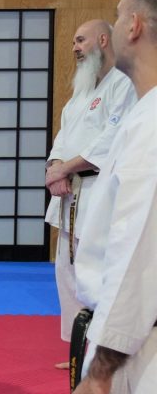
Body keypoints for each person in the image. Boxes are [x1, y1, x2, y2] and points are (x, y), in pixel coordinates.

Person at [67, 0, 157, 394]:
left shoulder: (151, 127)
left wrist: (100, 371)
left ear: (135, 26)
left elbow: (138, 258)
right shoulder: (143, 115)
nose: (116, 24)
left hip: (138, 357)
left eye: (120, 15)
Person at [44, 20, 136, 370]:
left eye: (80, 40)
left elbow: (112, 139)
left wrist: (65, 168)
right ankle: (77, 347)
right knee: (67, 270)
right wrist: (55, 167)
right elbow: (63, 136)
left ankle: (101, 348)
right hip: (70, 191)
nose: (75, 48)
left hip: (99, 188)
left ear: (102, 39)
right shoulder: (82, 92)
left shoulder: (123, 84)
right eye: (73, 42)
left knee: (95, 270)